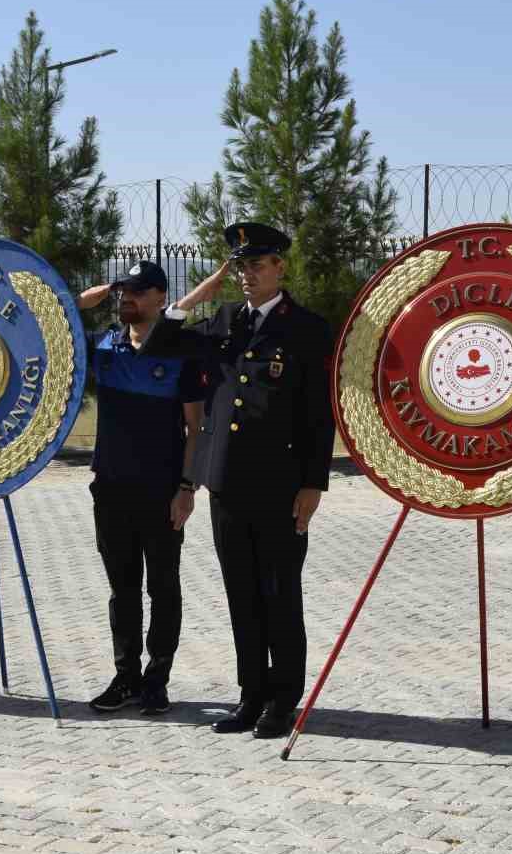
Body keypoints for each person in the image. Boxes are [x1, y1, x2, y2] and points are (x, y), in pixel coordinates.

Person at [141, 222, 335, 740]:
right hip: (226, 481)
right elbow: (159, 338)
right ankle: (251, 695)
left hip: (281, 484)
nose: (247, 275)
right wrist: (209, 284)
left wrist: (313, 483)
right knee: (241, 595)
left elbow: (320, 415)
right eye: (240, 266)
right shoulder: (225, 321)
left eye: (257, 265)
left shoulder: (308, 329)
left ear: (280, 268)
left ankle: (283, 700)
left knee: (279, 593)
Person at [74, 261, 205, 715]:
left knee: (163, 588)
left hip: (162, 490)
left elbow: (196, 428)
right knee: (122, 590)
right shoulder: (105, 346)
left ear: (160, 298)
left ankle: (157, 680)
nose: (126, 298)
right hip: (110, 489)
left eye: (137, 291)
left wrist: (187, 487)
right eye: (122, 291)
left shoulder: (178, 352)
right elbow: (61, 319)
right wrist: (104, 288)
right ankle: (126, 676)